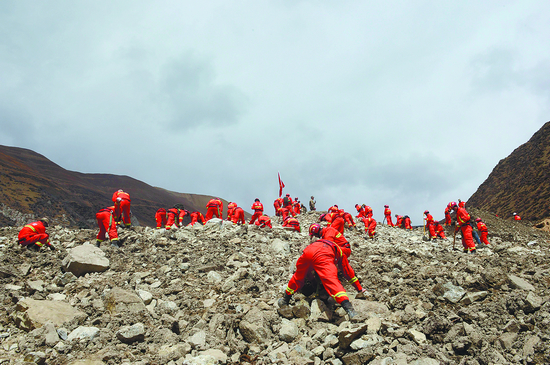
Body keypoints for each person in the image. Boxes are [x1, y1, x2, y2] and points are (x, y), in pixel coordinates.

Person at [278, 238, 367, 319]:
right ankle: (350, 310)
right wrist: (359, 289)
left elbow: (307, 271)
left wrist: (313, 280)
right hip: (323, 254)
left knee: (298, 276)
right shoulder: (340, 253)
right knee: (332, 281)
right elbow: (348, 273)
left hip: (308, 251)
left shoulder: (325, 243)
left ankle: (285, 300)